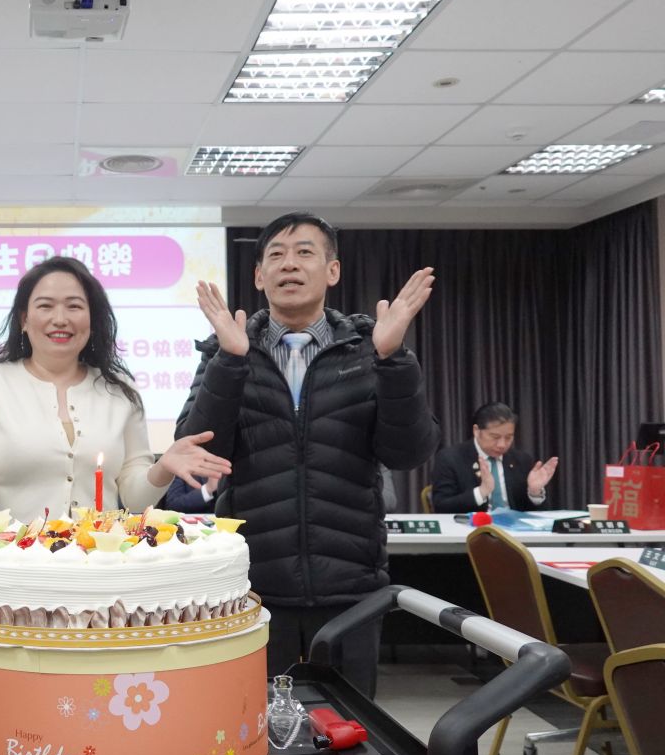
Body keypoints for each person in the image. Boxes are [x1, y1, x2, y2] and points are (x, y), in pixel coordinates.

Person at [177, 211, 439, 698]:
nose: (289, 264)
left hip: (351, 586)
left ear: (332, 270)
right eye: (276, 255)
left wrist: (393, 360)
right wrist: (230, 362)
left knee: (350, 725)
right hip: (254, 586)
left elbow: (408, 452)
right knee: (254, 722)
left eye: (304, 253)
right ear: (259, 276)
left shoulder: (370, 349)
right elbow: (198, 450)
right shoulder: (226, 351)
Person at [0, 256, 231, 523]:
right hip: (11, 558)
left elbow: (135, 499)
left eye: (74, 306)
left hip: (98, 558)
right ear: (24, 319)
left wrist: (163, 467)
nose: (60, 319)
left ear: (92, 320)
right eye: (45, 306)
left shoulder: (120, 391)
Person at [430, 402, 559, 513]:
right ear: (476, 431)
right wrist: (481, 492)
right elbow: (441, 506)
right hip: (472, 531)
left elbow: (537, 514)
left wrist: (534, 492)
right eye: (495, 437)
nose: (502, 444)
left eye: (508, 437)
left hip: (515, 532)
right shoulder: (450, 458)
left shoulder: (522, 460)